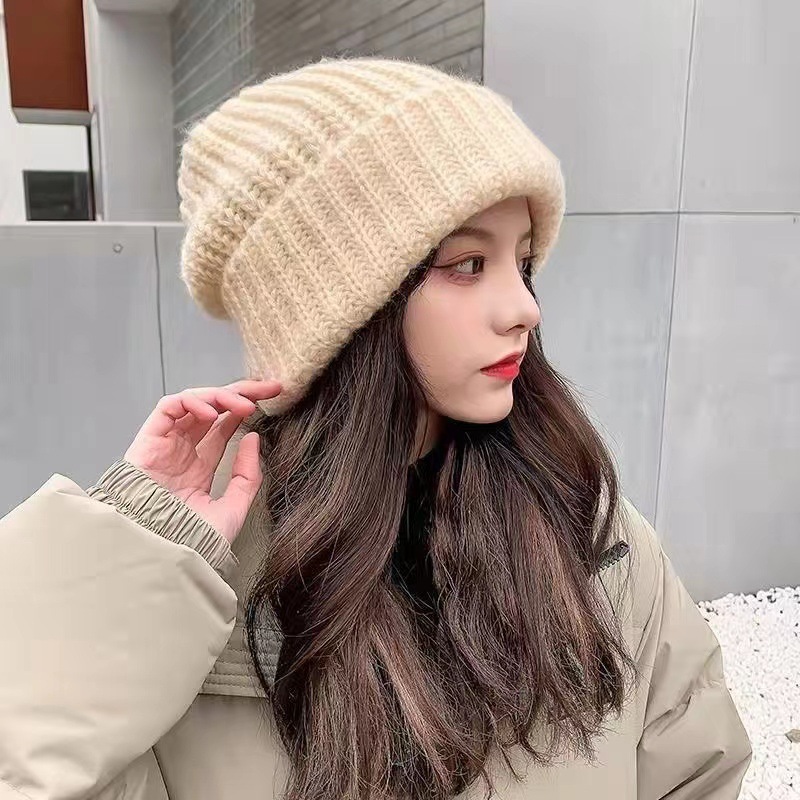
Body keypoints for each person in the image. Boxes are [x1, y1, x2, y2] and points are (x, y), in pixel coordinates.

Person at [0, 57, 751, 800]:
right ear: (340, 309)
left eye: (522, 263)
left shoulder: (589, 527)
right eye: (467, 264)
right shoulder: (201, 587)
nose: (525, 307)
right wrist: (125, 554)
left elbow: (696, 772)